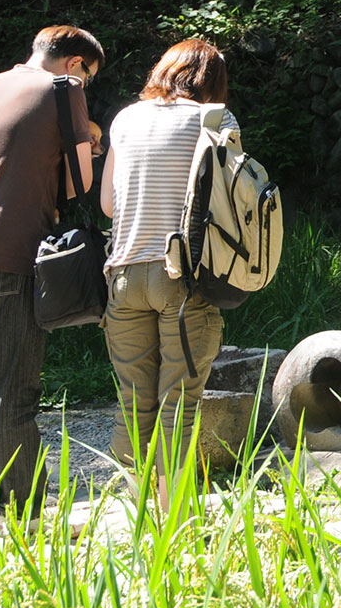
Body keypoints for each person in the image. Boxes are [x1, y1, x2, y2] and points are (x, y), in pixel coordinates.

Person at [0, 24, 103, 519]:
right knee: (14, 389)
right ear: (75, 64)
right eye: (89, 75)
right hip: (11, 254)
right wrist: (91, 143)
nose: (85, 84)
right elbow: (79, 186)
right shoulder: (64, 90)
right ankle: (24, 517)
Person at [100, 37, 238, 486]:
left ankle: (130, 511)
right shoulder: (215, 119)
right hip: (183, 279)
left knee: (132, 401)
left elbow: (107, 204)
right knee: (178, 404)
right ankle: (173, 521)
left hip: (122, 276)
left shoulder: (124, 118)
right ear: (212, 80)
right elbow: (231, 204)